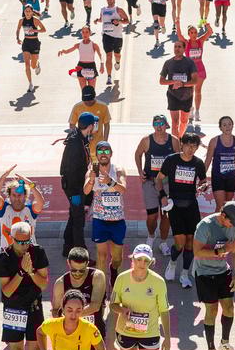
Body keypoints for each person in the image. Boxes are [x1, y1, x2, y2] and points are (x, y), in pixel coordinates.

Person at [0, 221, 51, 350]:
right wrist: (21, 272)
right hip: (13, 310)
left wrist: (31, 272)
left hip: (34, 308)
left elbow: (44, 284)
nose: (23, 245)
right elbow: (8, 291)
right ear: (11, 239)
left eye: (27, 241)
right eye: (19, 242)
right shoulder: (3, 258)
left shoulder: (39, 252)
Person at [192, 202, 235, 350]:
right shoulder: (205, 226)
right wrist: (220, 251)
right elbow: (197, 252)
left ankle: (225, 343)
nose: (233, 226)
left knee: (229, 308)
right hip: (204, 273)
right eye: (231, 222)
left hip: (223, 271)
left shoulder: (234, 227)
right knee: (212, 310)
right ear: (223, 216)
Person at [158, 132, 210, 286]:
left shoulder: (198, 163)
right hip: (175, 205)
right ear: (182, 144)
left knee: (190, 242)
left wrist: (203, 186)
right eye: (188, 145)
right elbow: (159, 178)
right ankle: (172, 263)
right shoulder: (171, 160)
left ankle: (185, 274)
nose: (191, 149)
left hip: (191, 206)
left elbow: (203, 181)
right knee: (179, 243)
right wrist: (162, 195)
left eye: (194, 146)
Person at [134, 116, 176, 256]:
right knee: (152, 216)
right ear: (153, 126)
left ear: (166, 125)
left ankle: (163, 242)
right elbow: (138, 154)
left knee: (166, 215)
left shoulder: (174, 140)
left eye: (161, 124)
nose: (159, 127)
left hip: (167, 183)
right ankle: (151, 236)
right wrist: (140, 172)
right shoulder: (147, 140)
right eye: (156, 124)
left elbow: (179, 158)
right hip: (150, 182)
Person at [86, 143, 127, 280]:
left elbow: (123, 189)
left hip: (117, 220)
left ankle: (114, 270)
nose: (103, 153)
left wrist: (111, 182)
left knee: (117, 259)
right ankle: (101, 290)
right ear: (96, 154)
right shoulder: (93, 169)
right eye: (100, 151)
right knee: (101, 256)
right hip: (100, 220)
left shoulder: (118, 169)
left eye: (106, 150)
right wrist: (91, 180)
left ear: (111, 153)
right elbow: (85, 190)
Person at [61, 113, 97, 256]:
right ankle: (80, 254)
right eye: (94, 124)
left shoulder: (80, 138)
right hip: (74, 188)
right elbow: (73, 172)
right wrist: (78, 194)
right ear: (89, 126)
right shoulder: (76, 143)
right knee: (78, 220)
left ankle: (67, 246)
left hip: (74, 186)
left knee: (74, 215)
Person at [205, 116, 235, 210]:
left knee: (227, 207)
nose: (227, 127)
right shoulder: (214, 141)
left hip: (231, 177)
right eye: (224, 125)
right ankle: (215, 224)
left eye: (229, 124)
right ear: (220, 127)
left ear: (233, 126)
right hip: (217, 176)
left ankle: (224, 224)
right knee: (220, 206)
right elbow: (208, 160)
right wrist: (203, 176)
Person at [0, 167, 45, 249]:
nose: (17, 198)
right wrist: (3, 177)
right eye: (14, 195)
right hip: (7, 254)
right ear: (9, 196)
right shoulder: (4, 209)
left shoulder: (30, 210)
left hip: (28, 254)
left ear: (25, 196)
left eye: (19, 195)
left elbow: (41, 202)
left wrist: (30, 184)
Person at [156, 39, 198, 137]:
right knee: (174, 123)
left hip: (187, 96)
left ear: (184, 49)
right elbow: (161, 81)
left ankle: (179, 138)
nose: (177, 49)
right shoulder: (168, 63)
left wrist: (182, 84)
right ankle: (176, 144)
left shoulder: (190, 62)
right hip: (173, 95)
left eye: (179, 47)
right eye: (175, 47)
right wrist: (174, 82)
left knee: (183, 121)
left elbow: (195, 81)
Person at [181, 22, 212, 123]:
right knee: (190, 91)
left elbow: (210, 32)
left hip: (200, 69)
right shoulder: (186, 43)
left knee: (198, 91)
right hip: (190, 70)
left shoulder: (200, 41)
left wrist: (207, 26)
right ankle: (190, 110)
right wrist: (177, 24)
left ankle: (197, 111)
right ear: (189, 34)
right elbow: (179, 35)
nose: (194, 34)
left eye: (195, 32)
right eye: (192, 32)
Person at [96, 0, 129, 86]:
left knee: (117, 55)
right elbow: (101, 19)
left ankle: (118, 62)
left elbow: (127, 21)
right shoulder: (103, 10)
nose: (109, 0)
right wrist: (97, 20)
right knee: (109, 56)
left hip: (117, 36)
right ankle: (109, 77)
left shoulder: (118, 10)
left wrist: (119, 21)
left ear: (114, 0)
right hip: (106, 36)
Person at [59, 27, 104, 92]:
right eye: (83, 32)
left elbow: (101, 55)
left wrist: (102, 65)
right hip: (81, 67)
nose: (85, 34)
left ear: (90, 33)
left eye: (87, 32)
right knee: (84, 91)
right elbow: (67, 51)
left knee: (91, 91)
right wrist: (61, 50)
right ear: (81, 34)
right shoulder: (78, 45)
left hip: (91, 66)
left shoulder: (94, 45)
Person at [17, 3, 47, 88]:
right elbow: (18, 29)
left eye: (29, 11)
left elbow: (44, 30)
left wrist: (35, 30)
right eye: (26, 11)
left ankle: (37, 64)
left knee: (32, 66)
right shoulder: (21, 20)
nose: (27, 13)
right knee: (26, 64)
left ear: (32, 12)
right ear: (24, 11)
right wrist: (17, 38)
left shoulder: (35, 20)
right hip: (26, 42)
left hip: (34, 43)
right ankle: (30, 83)